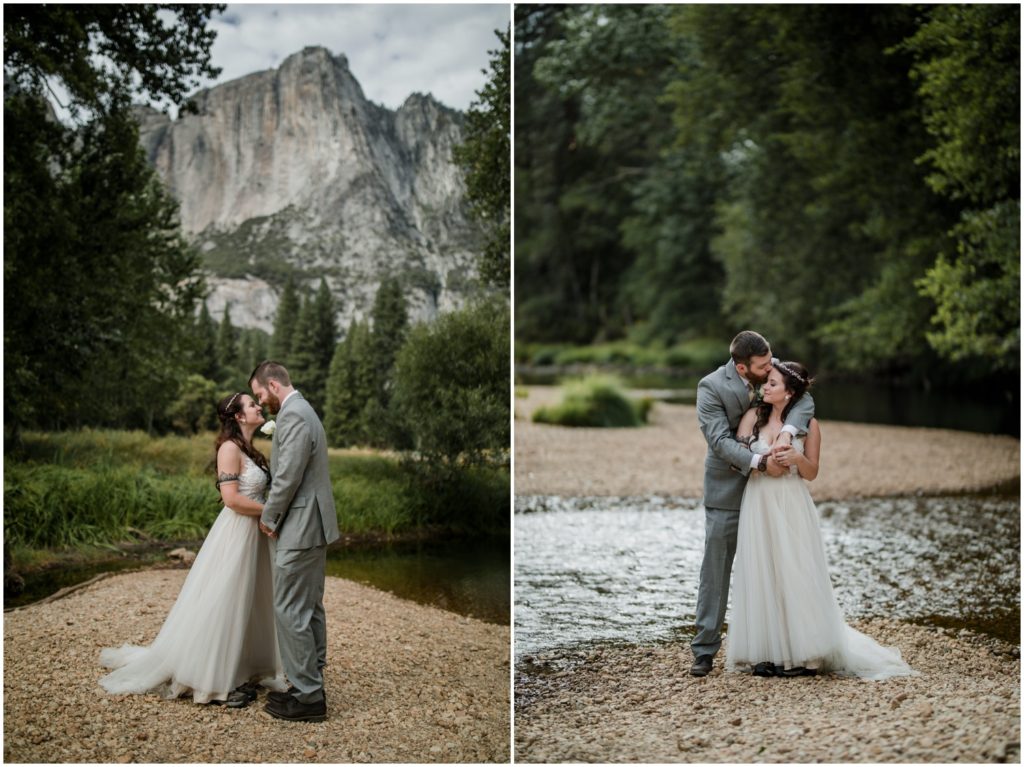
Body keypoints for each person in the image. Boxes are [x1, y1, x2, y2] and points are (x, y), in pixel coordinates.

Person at [726, 360, 916, 679]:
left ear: (789, 393)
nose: (766, 387)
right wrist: (760, 462)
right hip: (758, 501)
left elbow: (812, 473)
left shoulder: (809, 425)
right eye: (767, 382)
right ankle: (769, 651)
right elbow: (737, 461)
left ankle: (806, 655)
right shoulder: (750, 418)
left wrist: (797, 458)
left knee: (796, 570)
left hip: (791, 501)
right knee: (764, 569)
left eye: (773, 383)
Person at [99, 393, 287, 705]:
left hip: (256, 534)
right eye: (251, 404)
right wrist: (270, 513)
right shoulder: (229, 448)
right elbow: (231, 499)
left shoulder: (249, 449)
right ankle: (213, 677)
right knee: (227, 597)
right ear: (239, 416)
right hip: (238, 532)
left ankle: (246, 664)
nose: (258, 407)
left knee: (253, 599)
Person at [690, 330, 815, 677]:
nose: (771, 366)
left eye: (771, 359)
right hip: (728, 490)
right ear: (743, 369)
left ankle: (777, 648)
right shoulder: (710, 387)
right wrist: (760, 462)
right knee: (716, 568)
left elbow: (803, 399)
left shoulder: (771, 368)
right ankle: (704, 651)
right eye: (763, 365)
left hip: (771, 496)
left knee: (776, 566)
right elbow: (718, 440)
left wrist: (788, 431)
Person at [249, 361, 340, 723]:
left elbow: (287, 476)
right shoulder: (302, 411)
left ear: (273, 384)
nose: (261, 401)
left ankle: (308, 699)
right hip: (311, 523)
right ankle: (310, 682)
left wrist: (269, 518)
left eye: (260, 394)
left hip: (301, 526)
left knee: (290, 609)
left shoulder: (295, 415)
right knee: (309, 607)